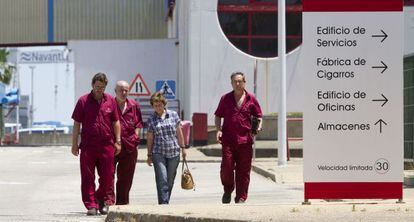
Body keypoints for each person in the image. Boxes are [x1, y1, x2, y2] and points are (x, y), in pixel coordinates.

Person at [71, 73, 121, 216]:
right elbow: (76, 123)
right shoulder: (83, 101)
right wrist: (74, 144)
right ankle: (91, 205)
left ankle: (102, 200)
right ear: (92, 85)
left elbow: (116, 121)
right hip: (88, 145)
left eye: (102, 87)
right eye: (97, 87)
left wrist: (118, 141)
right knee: (87, 176)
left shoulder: (111, 101)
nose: (100, 89)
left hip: (107, 144)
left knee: (108, 176)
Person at [214, 71, 263, 204]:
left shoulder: (251, 99)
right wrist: (218, 130)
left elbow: (259, 116)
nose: (237, 83)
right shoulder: (225, 98)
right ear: (231, 83)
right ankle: (228, 190)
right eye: (235, 81)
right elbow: (218, 115)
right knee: (227, 167)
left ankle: (241, 197)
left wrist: (258, 127)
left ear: (244, 82)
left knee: (244, 171)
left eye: (240, 81)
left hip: (245, 141)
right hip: (228, 140)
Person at [146, 92, 187, 204]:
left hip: (174, 152)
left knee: (169, 180)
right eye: (155, 105)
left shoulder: (173, 115)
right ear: (152, 106)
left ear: (164, 104)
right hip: (158, 153)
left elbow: (179, 132)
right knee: (162, 179)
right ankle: (164, 204)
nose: (158, 107)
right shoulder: (151, 119)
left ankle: (165, 201)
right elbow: (150, 138)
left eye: (160, 104)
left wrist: (183, 148)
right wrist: (149, 155)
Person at [111, 80, 143, 205]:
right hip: (112, 146)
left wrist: (135, 137)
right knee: (108, 176)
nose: (123, 93)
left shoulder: (134, 105)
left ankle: (122, 203)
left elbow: (139, 124)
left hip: (130, 147)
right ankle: (107, 201)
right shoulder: (109, 105)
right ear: (115, 91)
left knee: (126, 178)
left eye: (126, 90)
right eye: (121, 90)